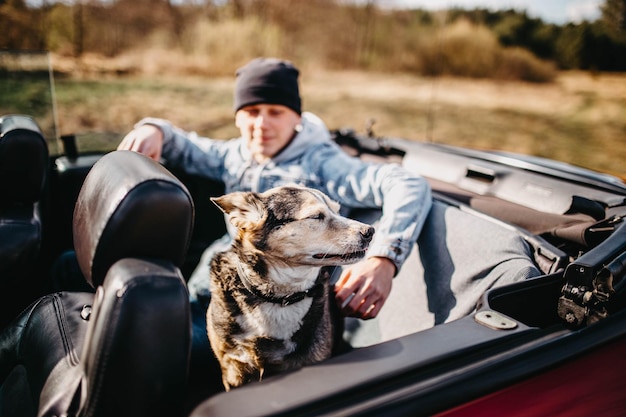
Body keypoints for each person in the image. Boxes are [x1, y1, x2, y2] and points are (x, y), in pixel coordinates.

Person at [118, 57, 432, 328]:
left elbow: (407, 184)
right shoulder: (238, 153)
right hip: (212, 279)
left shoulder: (321, 164)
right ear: (238, 116)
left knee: (160, 348)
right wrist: (153, 129)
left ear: (297, 117)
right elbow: (188, 147)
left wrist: (384, 259)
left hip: (267, 308)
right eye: (252, 111)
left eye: (275, 112)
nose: (261, 124)